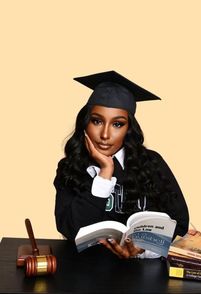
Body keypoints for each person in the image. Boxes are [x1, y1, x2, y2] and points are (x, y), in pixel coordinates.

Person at [54, 71, 189, 259]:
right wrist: (105, 173)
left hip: (144, 276)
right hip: (87, 272)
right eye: (97, 121)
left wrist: (143, 249)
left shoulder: (151, 163)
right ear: (85, 124)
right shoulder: (70, 167)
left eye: (117, 124)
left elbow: (180, 224)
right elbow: (70, 230)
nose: (105, 135)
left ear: (128, 128)